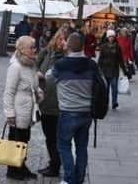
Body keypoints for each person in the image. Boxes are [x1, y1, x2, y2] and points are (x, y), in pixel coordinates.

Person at [50, 33, 102, 184]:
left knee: (63, 145)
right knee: (81, 147)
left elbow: (49, 77)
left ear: (69, 46)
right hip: (86, 112)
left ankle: (69, 178)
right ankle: (79, 179)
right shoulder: (92, 64)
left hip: (67, 111)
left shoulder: (61, 64)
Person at [3, 36, 42, 180]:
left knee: (24, 139)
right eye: (31, 47)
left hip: (29, 109)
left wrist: (39, 92)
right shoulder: (15, 66)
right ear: (22, 49)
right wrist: (10, 113)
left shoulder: (31, 64)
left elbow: (33, 86)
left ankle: (21, 166)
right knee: (16, 140)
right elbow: (9, 91)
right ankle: (13, 170)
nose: (34, 50)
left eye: (34, 47)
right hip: (18, 110)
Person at [36, 27, 68, 178]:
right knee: (49, 136)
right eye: (60, 38)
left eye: (64, 39)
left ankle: (55, 166)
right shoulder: (47, 53)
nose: (62, 42)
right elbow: (34, 67)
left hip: (58, 103)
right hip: (45, 101)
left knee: (55, 137)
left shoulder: (66, 58)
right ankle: (52, 163)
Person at [97, 29, 127, 110]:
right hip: (105, 70)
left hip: (114, 70)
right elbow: (100, 59)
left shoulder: (117, 47)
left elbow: (120, 59)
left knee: (114, 88)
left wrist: (124, 70)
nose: (111, 38)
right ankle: (105, 103)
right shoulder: (103, 46)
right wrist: (98, 70)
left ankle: (114, 102)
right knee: (106, 89)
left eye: (112, 36)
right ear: (107, 37)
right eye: (110, 36)